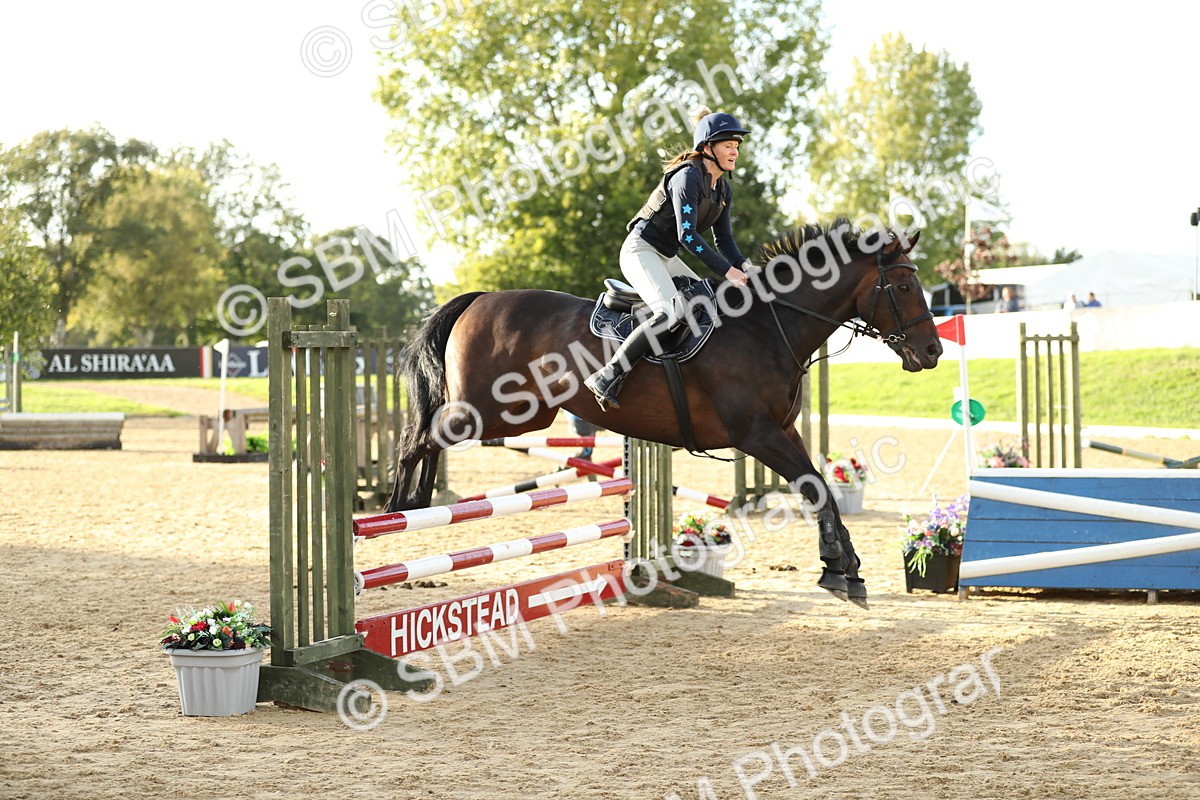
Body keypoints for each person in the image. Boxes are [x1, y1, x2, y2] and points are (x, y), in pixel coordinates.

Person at [583, 106, 756, 411]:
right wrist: (729, 272)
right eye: (729, 146)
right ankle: (609, 373)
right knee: (672, 311)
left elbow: (724, 240)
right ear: (707, 148)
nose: (735, 153)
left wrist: (745, 266)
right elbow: (687, 235)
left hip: (666, 255)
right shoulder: (687, 176)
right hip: (641, 250)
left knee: (708, 305)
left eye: (736, 147)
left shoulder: (722, 188)